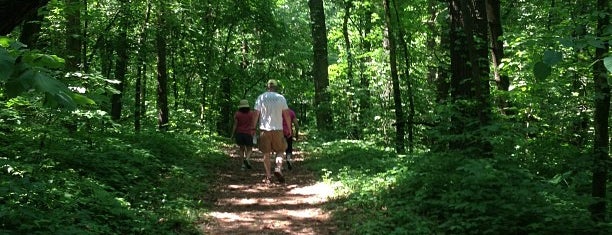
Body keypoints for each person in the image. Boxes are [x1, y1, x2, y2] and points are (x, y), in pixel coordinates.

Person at [252, 79, 292, 183]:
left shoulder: (261, 97)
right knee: (280, 151)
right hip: (278, 129)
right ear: (276, 87)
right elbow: (287, 114)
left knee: (266, 153)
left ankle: (268, 177)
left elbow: (256, 114)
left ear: (267, 87)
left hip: (264, 129)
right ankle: (278, 168)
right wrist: (289, 128)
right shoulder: (281, 98)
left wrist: (253, 128)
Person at [230, 99, 255, 170]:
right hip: (248, 133)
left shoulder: (237, 114)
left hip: (239, 133)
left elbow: (235, 125)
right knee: (249, 149)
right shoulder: (251, 113)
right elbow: (253, 123)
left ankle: (242, 165)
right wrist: (255, 131)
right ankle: (247, 159)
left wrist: (232, 135)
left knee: (241, 149)